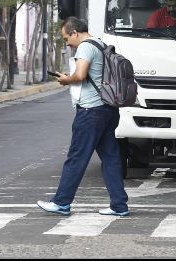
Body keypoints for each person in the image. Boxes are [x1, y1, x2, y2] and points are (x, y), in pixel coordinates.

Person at [37, 16, 129, 217]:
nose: (67, 43)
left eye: (66, 38)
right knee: (111, 158)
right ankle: (119, 205)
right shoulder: (101, 44)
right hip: (108, 109)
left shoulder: (85, 47)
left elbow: (79, 76)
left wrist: (65, 79)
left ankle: (61, 202)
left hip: (91, 112)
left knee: (77, 157)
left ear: (75, 33)